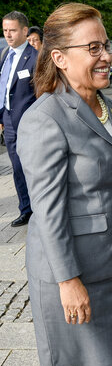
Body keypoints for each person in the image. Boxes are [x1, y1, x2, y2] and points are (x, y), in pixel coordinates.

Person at [17, 3, 112, 366]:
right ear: (60, 58)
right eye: (93, 47)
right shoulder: (44, 118)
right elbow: (48, 212)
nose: (105, 55)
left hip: (110, 265)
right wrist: (69, 283)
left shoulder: (107, 106)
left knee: (100, 365)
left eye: (106, 44)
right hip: (68, 274)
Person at [0, 11, 37, 226]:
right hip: (9, 120)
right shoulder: (5, 55)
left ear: (24, 30)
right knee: (17, 168)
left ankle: (41, 209)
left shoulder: (35, 58)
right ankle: (26, 209)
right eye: (5, 30)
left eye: (12, 30)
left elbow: (42, 94)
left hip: (29, 122)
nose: (8, 35)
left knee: (33, 167)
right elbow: (3, 87)